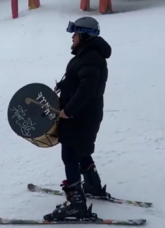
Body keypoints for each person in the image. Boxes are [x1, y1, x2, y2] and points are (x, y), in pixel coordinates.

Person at [43, 16, 112, 221]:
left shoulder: (90, 57)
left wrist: (69, 110)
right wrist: (64, 87)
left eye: (75, 33)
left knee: (70, 156)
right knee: (80, 151)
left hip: (80, 117)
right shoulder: (87, 55)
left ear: (85, 35)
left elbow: (87, 89)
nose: (72, 37)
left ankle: (76, 205)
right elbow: (80, 82)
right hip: (84, 116)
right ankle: (92, 186)